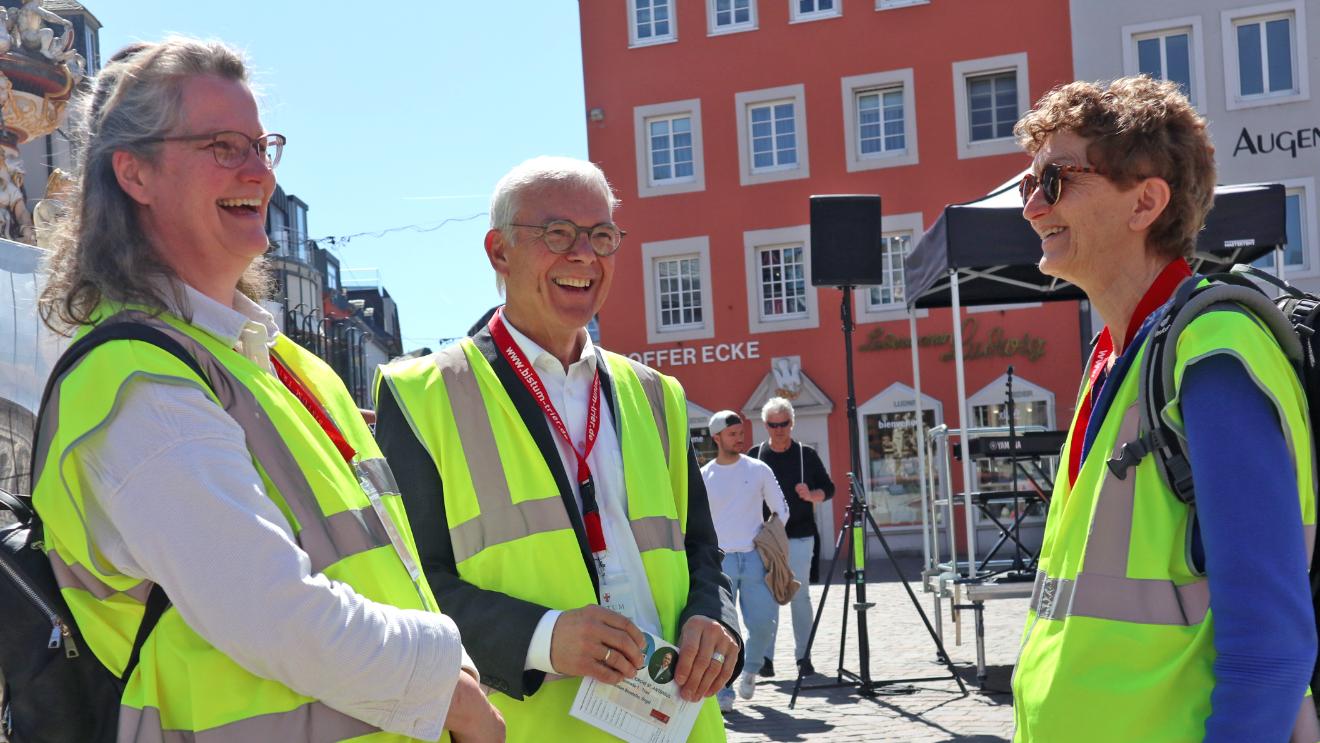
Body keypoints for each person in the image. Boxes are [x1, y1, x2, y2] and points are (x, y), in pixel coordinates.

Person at [31, 39, 501, 742]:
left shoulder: (285, 364)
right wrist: (449, 687)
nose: (261, 173)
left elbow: (388, 569)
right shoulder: (136, 380)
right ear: (135, 174)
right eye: (222, 146)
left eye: (261, 145)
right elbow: (271, 610)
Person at [375, 156, 739, 742]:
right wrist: (543, 637)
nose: (584, 255)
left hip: (680, 724)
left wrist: (715, 621)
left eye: (601, 236)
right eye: (557, 234)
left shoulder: (656, 394)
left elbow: (701, 551)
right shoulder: (421, 394)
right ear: (499, 252)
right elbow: (408, 589)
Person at [1011, 76, 1316, 742]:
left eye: (1054, 181)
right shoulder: (1114, 358)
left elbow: (1271, 649)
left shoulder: (1212, 352)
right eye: (1026, 185)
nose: (1031, 206)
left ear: (1146, 201)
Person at [701, 410, 789, 711]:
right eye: (732, 434)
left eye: (741, 433)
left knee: (764, 623)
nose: (740, 438)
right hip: (720, 561)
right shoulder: (704, 476)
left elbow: (781, 509)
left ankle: (750, 670)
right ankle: (723, 687)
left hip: (755, 559)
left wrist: (769, 537)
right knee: (723, 630)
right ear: (717, 438)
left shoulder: (758, 469)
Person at [746, 397, 834, 678]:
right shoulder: (756, 455)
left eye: (783, 423)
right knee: (767, 596)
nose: (778, 429)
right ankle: (765, 658)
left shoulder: (805, 455)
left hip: (800, 534)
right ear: (765, 425)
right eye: (773, 424)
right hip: (765, 538)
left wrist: (811, 495)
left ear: (792, 423)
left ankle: (803, 657)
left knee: (800, 596)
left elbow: (828, 489)